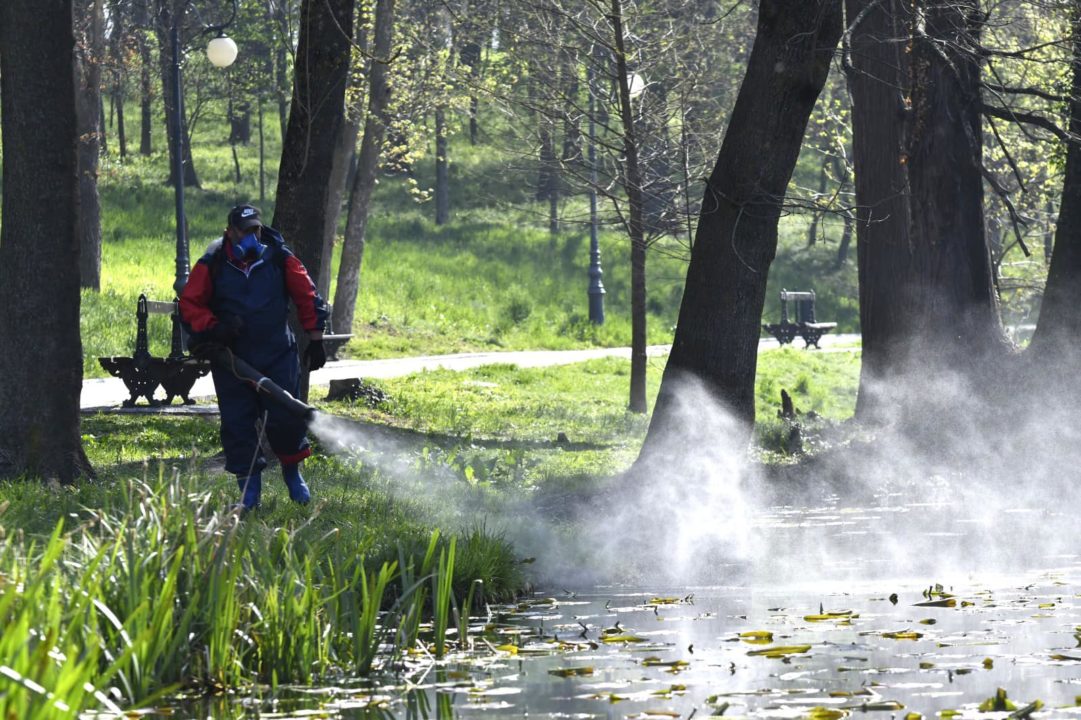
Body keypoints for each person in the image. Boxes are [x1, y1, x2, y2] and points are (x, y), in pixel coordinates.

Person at [179, 204, 328, 510]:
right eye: (245, 230)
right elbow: (190, 303)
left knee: (287, 418)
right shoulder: (213, 261)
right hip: (233, 361)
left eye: (255, 229)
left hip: (277, 355)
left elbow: (306, 293)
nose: (251, 235)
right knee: (238, 426)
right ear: (230, 232)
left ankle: (292, 474)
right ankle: (249, 496)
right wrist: (215, 328)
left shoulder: (278, 256)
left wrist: (315, 337)